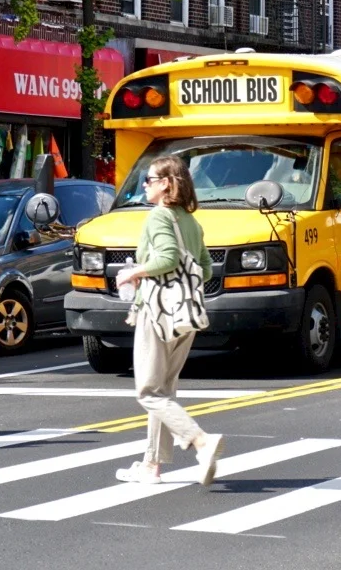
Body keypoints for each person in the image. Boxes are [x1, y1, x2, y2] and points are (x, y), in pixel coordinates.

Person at [113, 155, 225, 485]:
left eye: (149, 180)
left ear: (166, 184)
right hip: (185, 314)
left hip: (158, 312)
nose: (144, 186)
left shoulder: (158, 216)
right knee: (164, 392)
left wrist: (135, 271)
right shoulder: (191, 222)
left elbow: (167, 258)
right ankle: (151, 465)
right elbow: (204, 269)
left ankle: (201, 441)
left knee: (149, 392)